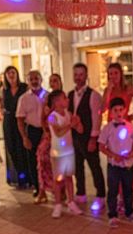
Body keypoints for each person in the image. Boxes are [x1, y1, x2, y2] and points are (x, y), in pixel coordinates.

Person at [101, 62, 133, 196]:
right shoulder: (107, 90)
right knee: (114, 162)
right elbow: (102, 109)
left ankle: (127, 198)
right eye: (110, 74)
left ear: (121, 74)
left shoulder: (128, 89)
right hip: (111, 127)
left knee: (127, 160)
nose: (113, 76)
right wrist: (109, 91)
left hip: (124, 126)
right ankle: (117, 197)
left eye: (116, 73)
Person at [99, 97, 133, 227]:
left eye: (121, 110)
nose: (118, 113)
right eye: (115, 110)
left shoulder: (129, 126)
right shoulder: (107, 128)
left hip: (128, 164)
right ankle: (112, 214)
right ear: (111, 112)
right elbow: (101, 146)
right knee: (112, 190)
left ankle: (129, 211)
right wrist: (113, 156)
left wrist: (132, 153)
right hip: (114, 165)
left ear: (124, 110)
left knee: (128, 189)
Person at [69, 63, 106, 211]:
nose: (78, 78)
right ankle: (81, 192)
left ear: (86, 76)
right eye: (76, 74)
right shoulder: (70, 95)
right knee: (78, 166)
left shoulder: (94, 95)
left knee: (94, 166)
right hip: (74, 137)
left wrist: (93, 139)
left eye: (81, 75)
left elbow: (97, 118)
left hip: (88, 137)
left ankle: (101, 195)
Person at [47, 90, 83, 219]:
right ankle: (57, 204)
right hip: (57, 153)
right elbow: (58, 133)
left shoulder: (68, 114)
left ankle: (71, 201)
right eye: (64, 98)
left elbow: (80, 129)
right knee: (58, 180)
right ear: (56, 101)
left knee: (69, 177)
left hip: (69, 151)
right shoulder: (52, 116)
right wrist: (71, 124)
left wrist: (78, 123)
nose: (67, 100)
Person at [16, 70, 47, 198]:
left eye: (36, 78)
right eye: (31, 79)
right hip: (32, 131)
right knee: (33, 161)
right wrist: (24, 137)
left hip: (46, 132)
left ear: (41, 79)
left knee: (48, 160)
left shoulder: (48, 96)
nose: (34, 81)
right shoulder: (23, 98)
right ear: (28, 81)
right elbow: (20, 119)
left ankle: (51, 187)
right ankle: (38, 188)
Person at [35, 73, 63, 204]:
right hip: (48, 136)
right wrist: (46, 131)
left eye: (55, 81)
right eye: (51, 81)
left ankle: (61, 191)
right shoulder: (46, 99)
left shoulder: (64, 98)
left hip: (61, 136)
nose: (53, 83)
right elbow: (42, 119)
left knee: (60, 164)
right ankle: (42, 191)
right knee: (42, 161)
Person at [0, 66, 30, 188]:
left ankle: (27, 177)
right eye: (8, 73)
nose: (11, 75)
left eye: (12, 72)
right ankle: (17, 177)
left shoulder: (24, 87)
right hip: (8, 122)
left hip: (21, 120)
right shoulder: (4, 90)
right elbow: (2, 104)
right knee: (11, 148)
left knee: (22, 148)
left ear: (16, 73)